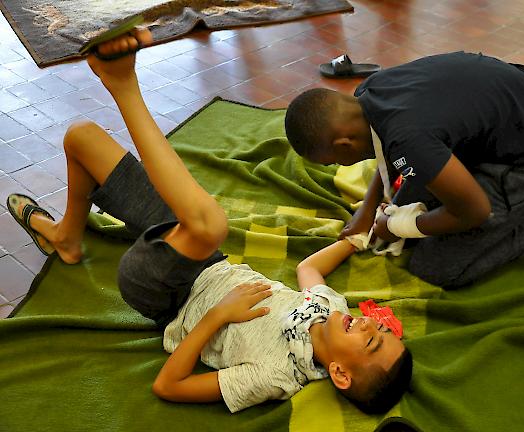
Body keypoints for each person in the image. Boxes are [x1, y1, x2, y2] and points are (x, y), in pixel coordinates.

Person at [6, 29, 411, 414]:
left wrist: (219, 315)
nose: (366, 325)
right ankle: (66, 238)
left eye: (370, 342)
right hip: (206, 260)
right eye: (380, 330)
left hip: (165, 294)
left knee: (208, 224)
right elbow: (308, 268)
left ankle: (123, 84)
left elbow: (169, 386)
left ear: (339, 373)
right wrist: (357, 236)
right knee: (83, 137)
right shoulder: (330, 305)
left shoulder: (278, 375)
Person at [284, 51, 524, 287]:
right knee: (411, 201)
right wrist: (367, 207)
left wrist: (395, 226)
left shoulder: (409, 138)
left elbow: (474, 212)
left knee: (437, 266)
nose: (339, 165)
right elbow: (388, 145)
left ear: (344, 145)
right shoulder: (369, 93)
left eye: (334, 161)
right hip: (510, 130)